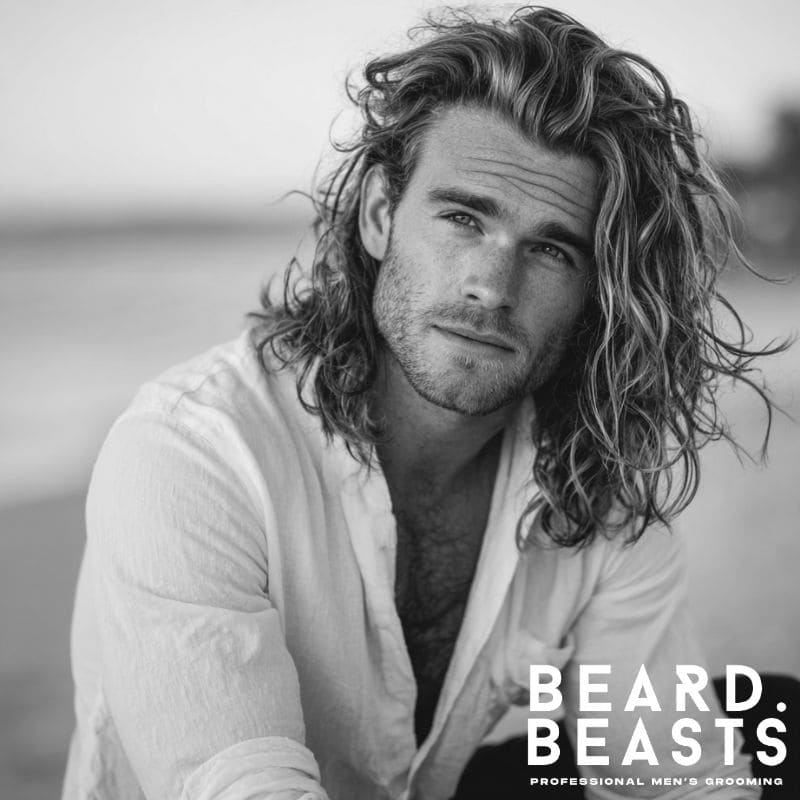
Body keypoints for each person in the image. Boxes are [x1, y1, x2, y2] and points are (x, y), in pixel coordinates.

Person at [62, 7, 793, 800]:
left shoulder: (591, 480)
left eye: (551, 250)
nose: (491, 285)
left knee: (775, 719)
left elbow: (674, 773)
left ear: (594, 291)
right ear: (381, 215)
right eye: (462, 217)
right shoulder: (191, 454)